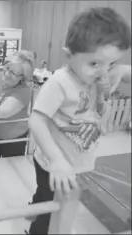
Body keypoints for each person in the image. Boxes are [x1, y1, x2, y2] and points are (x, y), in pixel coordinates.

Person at [27, 7, 131, 234]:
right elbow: (36, 120)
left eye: (111, 63)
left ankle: (35, 206)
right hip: (52, 163)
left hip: (75, 160)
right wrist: (56, 160)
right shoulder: (59, 83)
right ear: (69, 54)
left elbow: (121, 71)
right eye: (95, 63)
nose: (103, 71)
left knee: (48, 196)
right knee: (50, 209)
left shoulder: (99, 76)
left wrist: (119, 71)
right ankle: (37, 227)